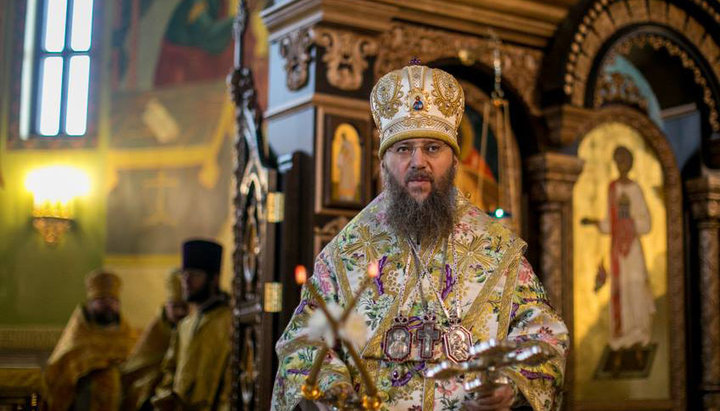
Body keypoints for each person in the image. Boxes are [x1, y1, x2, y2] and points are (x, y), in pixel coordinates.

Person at [271, 63, 568, 410]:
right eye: (403, 149)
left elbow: (547, 337)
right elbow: (301, 344)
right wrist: (334, 391)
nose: (418, 162)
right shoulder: (346, 253)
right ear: (384, 162)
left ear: (454, 160)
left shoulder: (497, 250)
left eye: (432, 148)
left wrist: (510, 387)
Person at [581, 146, 655, 351]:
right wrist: (595, 222)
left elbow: (646, 224)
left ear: (630, 163)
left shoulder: (635, 189)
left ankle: (640, 335)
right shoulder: (612, 188)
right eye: (618, 160)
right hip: (617, 252)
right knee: (621, 289)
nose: (621, 164)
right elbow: (609, 223)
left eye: (624, 160)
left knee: (635, 287)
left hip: (633, 250)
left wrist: (628, 223)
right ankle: (622, 337)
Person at [151, 239, 232, 411]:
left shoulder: (230, 321)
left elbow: (231, 379)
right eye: (184, 274)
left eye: (194, 274)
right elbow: (170, 370)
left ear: (214, 279)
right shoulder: (184, 325)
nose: (186, 282)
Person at [44, 270, 135, 411]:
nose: (109, 305)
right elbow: (62, 370)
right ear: (90, 303)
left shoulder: (125, 332)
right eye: (102, 300)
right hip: (84, 398)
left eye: (113, 301)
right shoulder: (78, 334)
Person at [121, 269, 189, 410]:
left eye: (184, 307)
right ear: (166, 306)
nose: (180, 312)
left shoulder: (192, 330)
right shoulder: (156, 331)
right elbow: (137, 366)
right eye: (175, 306)